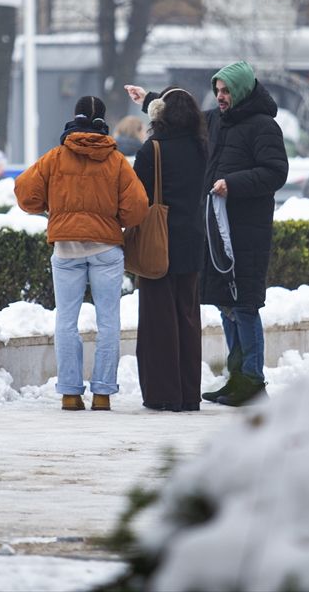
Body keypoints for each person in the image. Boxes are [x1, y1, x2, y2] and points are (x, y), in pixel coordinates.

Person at [126, 60, 288, 407]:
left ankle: (252, 381)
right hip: (215, 231)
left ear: (241, 90)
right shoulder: (216, 120)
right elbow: (182, 115)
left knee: (244, 305)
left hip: (246, 231)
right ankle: (236, 380)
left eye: (226, 91)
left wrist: (233, 183)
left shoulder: (264, 127)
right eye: (217, 91)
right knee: (227, 305)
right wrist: (149, 100)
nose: (220, 96)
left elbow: (276, 172)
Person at [15, 96, 148, 412]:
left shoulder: (55, 157)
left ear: (74, 118)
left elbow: (24, 192)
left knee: (66, 320)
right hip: (106, 249)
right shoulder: (116, 160)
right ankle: (102, 394)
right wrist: (114, 220)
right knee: (108, 321)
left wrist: (52, 209)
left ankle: (70, 394)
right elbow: (138, 206)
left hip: (66, 249)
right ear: (103, 120)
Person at [129, 87, 207, 412]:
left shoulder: (153, 149)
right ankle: (189, 394)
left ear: (159, 113)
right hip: (193, 241)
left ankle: (163, 394)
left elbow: (136, 198)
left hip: (158, 243)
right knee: (188, 318)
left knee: (158, 319)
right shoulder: (202, 148)